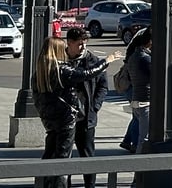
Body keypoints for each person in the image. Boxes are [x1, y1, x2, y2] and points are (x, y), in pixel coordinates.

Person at [32, 36, 122, 188]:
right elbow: (86, 74)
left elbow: (36, 97)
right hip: (65, 119)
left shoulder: (40, 70)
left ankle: (45, 184)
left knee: (50, 154)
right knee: (63, 158)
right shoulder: (61, 69)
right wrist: (107, 60)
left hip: (49, 119)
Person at [64, 27, 109, 188]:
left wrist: (95, 107)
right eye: (79, 44)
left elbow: (103, 86)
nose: (83, 47)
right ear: (69, 43)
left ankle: (90, 185)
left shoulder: (93, 61)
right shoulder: (61, 59)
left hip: (86, 117)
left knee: (88, 156)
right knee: (64, 156)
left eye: (84, 44)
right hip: (65, 117)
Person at [119, 29, 148, 152]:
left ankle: (128, 141)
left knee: (136, 116)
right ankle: (134, 145)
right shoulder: (142, 58)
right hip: (139, 92)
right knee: (139, 120)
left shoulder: (133, 56)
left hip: (132, 88)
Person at [126, 28, 152, 153]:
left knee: (141, 136)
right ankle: (140, 168)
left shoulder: (133, 57)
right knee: (144, 138)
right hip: (146, 101)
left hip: (136, 98)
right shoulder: (145, 59)